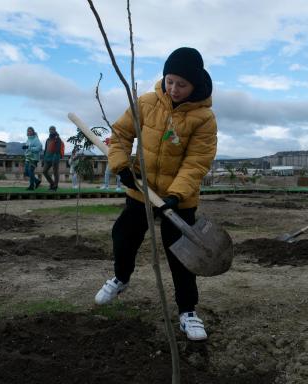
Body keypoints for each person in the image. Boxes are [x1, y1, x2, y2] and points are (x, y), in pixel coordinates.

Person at [94, 47, 216, 341]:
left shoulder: (203, 118)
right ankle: (121, 278)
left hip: (178, 200)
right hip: (141, 189)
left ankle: (187, 311)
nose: (173, 89)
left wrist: (175, 195)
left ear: (195, 84)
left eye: (182, 84)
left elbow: (197, 162)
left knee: (182, 256)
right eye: (170, 80)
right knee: (123, 236)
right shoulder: (146, 103)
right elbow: (121, 134)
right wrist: (122, 166)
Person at [42, 126, 63, 191]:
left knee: (55, 172)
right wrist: (44, 159)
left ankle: (55, 186)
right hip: (47, 158)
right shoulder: (48, 139)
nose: (51, 130)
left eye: (52, 129)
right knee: (44, 171)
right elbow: (45, 150)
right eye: (50, 129)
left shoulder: (58, 139)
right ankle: (52, 183)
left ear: (55, 130)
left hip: (55, 158)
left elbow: (57, 150)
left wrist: (55, 158)